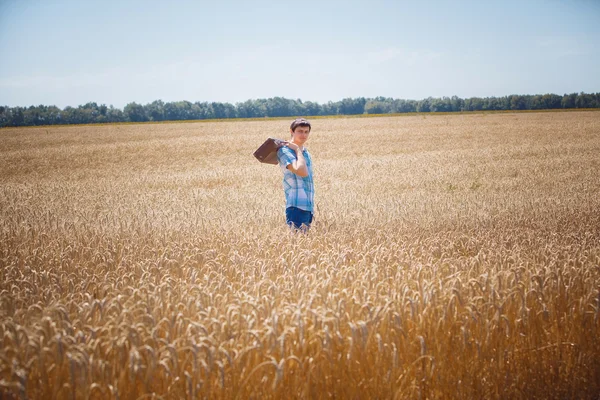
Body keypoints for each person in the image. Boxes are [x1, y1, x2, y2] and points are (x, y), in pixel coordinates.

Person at [277, 118, 315, 231]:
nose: (303, 135)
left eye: (306, 132)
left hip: (308, 206)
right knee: (296, 243)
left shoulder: (305, 152)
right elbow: (301, 172)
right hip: (296, 205)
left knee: (304, 244)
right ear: (291, 131)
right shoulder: (284, 151)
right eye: (300, 131)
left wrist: (299, 150)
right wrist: (297, 150)